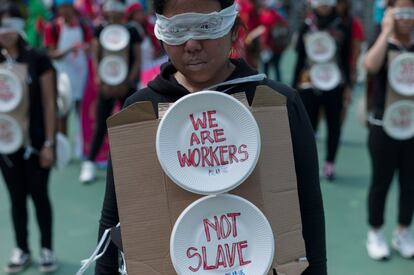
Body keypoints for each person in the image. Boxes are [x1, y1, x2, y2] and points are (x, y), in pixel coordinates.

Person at [95, 0, 326, 274]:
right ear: (160, 34)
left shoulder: (277, 104)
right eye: (178, 30)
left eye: (206, 26)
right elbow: (115, 214)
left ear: (233, 29)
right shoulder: (140, 112)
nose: (192, 44)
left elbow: (308, 209)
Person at [0, 3, 58, 274]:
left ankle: (47, 248)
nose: (4, 32)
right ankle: (21, 248)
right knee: (16, 198)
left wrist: (49, 143)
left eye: (10, 25)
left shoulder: (37, 58)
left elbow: (49, 103)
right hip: (6, 144)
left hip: (35, 143)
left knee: (39, 196)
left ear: (20, 27)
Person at [364, 0, 414, 260]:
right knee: (380, 182)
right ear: (391, 13)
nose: (406, 19)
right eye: (401, 13)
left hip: (412, 127)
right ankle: (375, 232)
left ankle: (403, 231)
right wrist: (385, 31)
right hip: (383, 125)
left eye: (411, 13)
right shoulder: (382, 39)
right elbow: (370, 66)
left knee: (410, 182)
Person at [79, 0, 141, 183]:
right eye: (111, 9)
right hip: (106, 85)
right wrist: (100, 80)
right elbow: (96, 57)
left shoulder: (132, 30)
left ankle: (130, 165)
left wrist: (129, 81)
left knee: (129, 126)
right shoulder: (100, 29)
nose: (113, 13)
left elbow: (137, 59)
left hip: (126, 86)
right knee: (101, 125)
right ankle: (89, 163)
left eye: (117, 9)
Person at [292, 0, 352, 181]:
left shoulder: (342, 26)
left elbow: (346, 58)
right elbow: (300, 59)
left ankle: (330, 164)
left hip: (335, 83)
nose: (324, 4)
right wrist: (294, 85)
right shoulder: (307, 25)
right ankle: (309, 165)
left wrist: (348, 85)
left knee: (334, 124)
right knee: (308, 127)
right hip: (309, 83)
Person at [43, 0, 92, 157]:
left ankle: (82, 148)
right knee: (62, 112)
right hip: (62, 75)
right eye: (61, 7)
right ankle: (62, 150)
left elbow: (91, 46)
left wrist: (86, 48)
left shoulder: (83, 25)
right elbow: (51, 54)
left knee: (82, 112)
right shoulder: (53, 27)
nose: (64, 10)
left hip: (81, 74)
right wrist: (70, 49)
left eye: (66, 6)